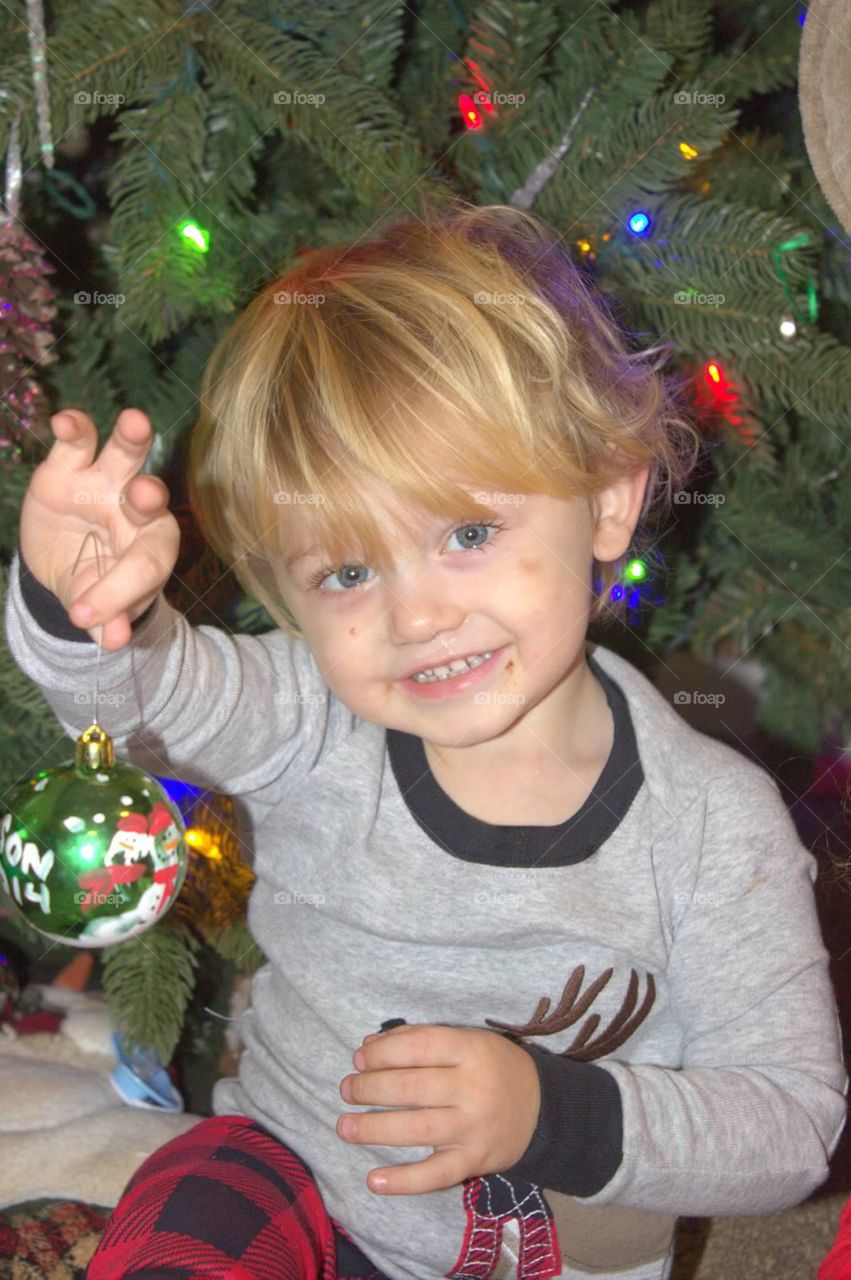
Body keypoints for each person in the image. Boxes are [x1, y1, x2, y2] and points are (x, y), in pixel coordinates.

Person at [6, 199, 847, 1280]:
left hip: (533, 1253)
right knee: (192, 1198)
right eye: (346, 572)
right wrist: (80, 608)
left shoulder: (709, 823)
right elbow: (145, 700)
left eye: (465, 532)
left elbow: (787, 1125)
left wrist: (550, 1111)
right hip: (293, 1184)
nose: (413, 618)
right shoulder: (313, 712)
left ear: (604, 498)